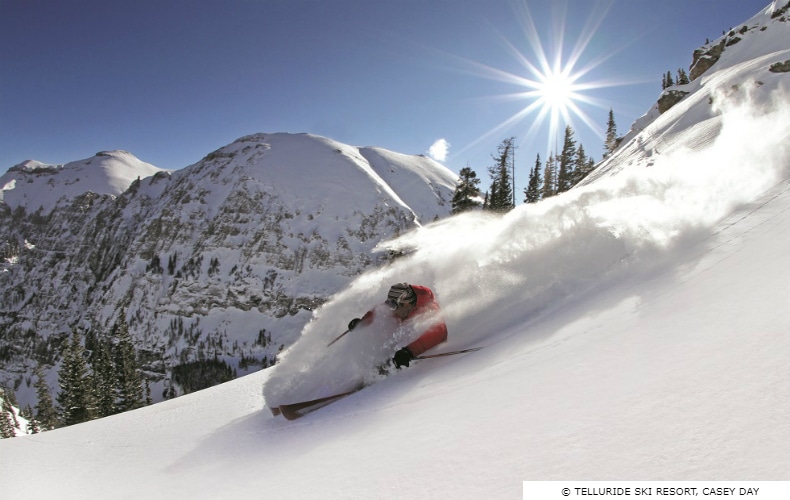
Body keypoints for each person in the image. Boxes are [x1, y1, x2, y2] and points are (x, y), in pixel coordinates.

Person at [347, 282, 448, 368]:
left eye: (394, 306)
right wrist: (362, 322)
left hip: (428, 355)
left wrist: (409, 351)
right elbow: (380, 310)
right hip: (404, 347)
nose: (392, 310)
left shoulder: (427, 310)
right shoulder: (400, 305)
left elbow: (439, 332)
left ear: (407, 304)